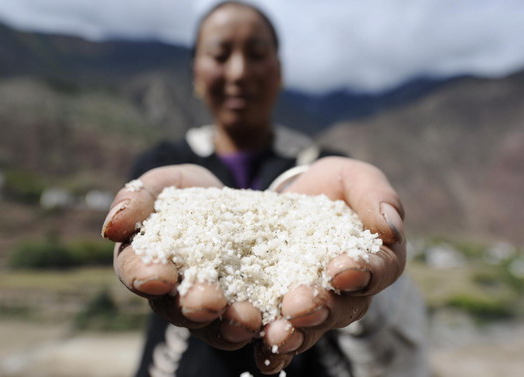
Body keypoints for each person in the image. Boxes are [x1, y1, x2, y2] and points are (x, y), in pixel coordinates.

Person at [102, 2, 429, 376]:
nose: (239, 72)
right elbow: (145, 234)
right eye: (220, 54)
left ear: (279, 71)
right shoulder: (165, 161)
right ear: (196, 70)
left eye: (257, 54)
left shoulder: (322, 163)